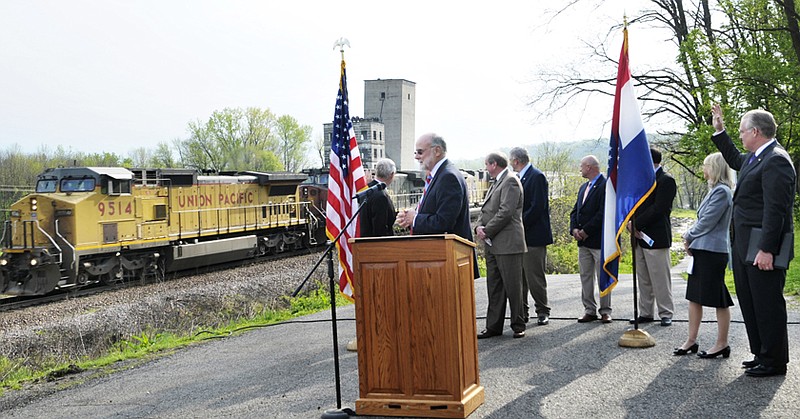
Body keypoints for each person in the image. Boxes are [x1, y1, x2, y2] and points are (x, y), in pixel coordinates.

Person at [711, 104, 796, 377]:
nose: (741, 136)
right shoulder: (756, 157)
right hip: (745, 245)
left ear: (756, 132)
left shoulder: (776, 159)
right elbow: (736, 160)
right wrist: (720, 131)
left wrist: (767, 249)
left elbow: (776, 210)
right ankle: (761, 353)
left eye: (742, 131)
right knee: (750, 301)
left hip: (761, 248)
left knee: (767, 303)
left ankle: (774, 360)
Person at [674, 152, 734, 358]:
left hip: (713, 252)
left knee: (719, 298)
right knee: (694, 297)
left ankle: (722, 343)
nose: (703, 170)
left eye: (706, 166)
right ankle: (691, 340)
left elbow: (707, 221)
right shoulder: (714, 190)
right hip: (703, 250)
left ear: (715, 168)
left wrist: (687, 235)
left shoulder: (722, 192)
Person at [395, 133, 479, 278]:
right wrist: (412, 217)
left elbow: (444, 222)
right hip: (438, 262)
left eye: (420, 152)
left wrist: (414, 219)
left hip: (448, 263)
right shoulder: (440, 175)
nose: (416, 157)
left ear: (437, 151)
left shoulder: (448, 177)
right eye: (416, 152)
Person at [475, 152, 527, 339]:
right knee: (494, 286)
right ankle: (493, 327)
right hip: (493, 244)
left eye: (486, 165)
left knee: (513, 286)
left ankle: (518, 324)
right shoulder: (497, 182)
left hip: (508, 244)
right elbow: (486, 209)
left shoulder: (511, 181)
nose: (485, 169)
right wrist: (479, 227)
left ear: (494, 164)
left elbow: (506, 211)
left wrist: (487, 230)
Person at [629, 147, 677, 327]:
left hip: (656, 237)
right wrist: (629, 222)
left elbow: (659, 208)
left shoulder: (666, 180)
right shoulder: (640, 181)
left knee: (660, 278)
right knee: (644, 278)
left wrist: (637, 223)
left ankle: (666, 312)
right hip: (638, 237)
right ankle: (646, 312)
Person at [508, 147, 553, 326]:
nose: (511, 164)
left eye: (511, 161)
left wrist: (518, 224)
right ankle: (523, 312)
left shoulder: (537, 176)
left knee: (535, 277)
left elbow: (538, 207)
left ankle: (542, 310)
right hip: (520, 237)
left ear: (516, 161)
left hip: (533, 236)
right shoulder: (519, 178)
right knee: (520, 278)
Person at [569, 155, 612, 323]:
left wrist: (586, 230)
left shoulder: (606, 185)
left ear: (589, 167)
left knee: (603, 276)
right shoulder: (583, 187)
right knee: (585, 276)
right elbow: (575, 211)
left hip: (598, 241)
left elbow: (603, 213)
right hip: (583, 242)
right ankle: (589, 309)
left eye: (581, 165)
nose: (580, 169)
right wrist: (574, 229)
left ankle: (605, 310)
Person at [360, 158, 397, 237]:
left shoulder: (366, 189)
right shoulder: (381, 196)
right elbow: (380, 228)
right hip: (376, 245)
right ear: (392, 174)